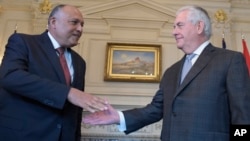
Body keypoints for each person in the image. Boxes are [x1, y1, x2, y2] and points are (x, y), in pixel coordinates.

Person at [83, 5, 250, 141]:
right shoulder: (172, 71)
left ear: (199, 26)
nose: (174, 32)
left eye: (179, 25)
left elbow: (243, 114)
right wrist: (118, 117)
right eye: (173, 26)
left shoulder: (230, 60)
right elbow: (156, 109)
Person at [0, 4, 108, 141]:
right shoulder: (23, 42)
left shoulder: (79, 62)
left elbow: (75, 111)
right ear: (53, 22)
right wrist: (68, 93)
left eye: (82, 25)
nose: (80, 29)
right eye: (74, 22)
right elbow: (10, 76)